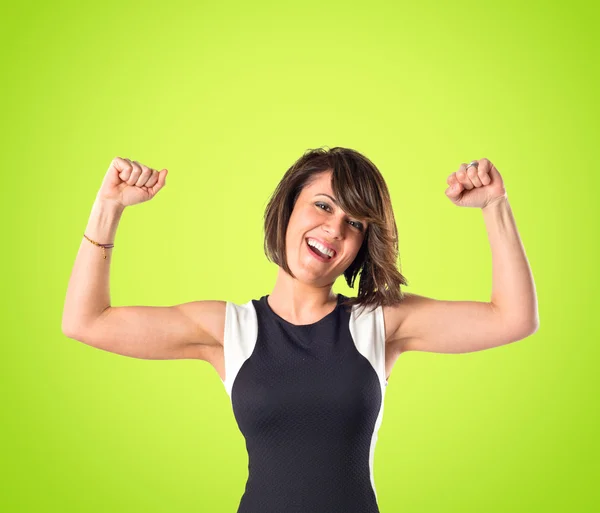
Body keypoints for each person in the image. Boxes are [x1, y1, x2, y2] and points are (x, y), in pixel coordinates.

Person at [62, 146, 539, 513]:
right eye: (324, 206)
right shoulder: (229, 328)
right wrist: (109, 207)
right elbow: (86, 321)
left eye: (355, 223)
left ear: (360, 246)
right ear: (289, 208)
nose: (335, 230)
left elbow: (513, 318)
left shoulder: (379, 323)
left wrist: (494, 206)